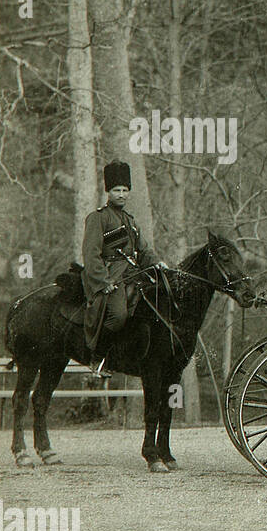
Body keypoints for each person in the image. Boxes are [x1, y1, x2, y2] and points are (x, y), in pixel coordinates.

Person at [81, 160, 166, 375]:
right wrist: (103, 282)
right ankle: (97, 359)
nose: (121, 194)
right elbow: (91, 254)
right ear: (108, 192)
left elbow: (144, 249)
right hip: (111, 276)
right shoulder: (98, 218)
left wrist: (157, 263)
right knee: (118, 316)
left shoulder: (130, 220)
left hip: (133, 274)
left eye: (125, 190)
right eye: (117, 190)